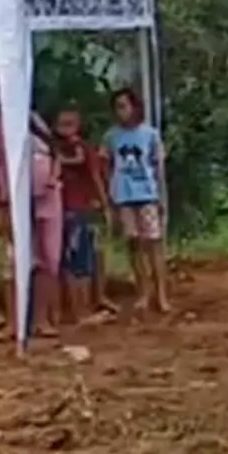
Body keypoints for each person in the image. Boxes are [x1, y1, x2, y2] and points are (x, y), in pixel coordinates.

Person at [0, 104, 65, 338]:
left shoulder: (34, 119)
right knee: (13, 263)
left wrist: (53, 177)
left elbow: (54, 152)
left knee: (47, 259)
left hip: (46, 200)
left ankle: (41, 319)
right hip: (12, 203)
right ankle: (14, 322)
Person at [101, 89, 169, 314]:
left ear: (134, 107)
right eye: (117, 107)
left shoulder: (150, 134)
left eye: (124, 106)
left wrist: (161, 196)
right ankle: (143, 292)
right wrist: (110, 194)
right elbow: (105, 165)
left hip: (147, 194)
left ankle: (161, 294)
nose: (121, 112)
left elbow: (158, 167)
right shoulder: (111, 137)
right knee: (134, 244)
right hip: (123, 197)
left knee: (153, 245)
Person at [54, 107, 117, 322]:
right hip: (70, 211)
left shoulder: (70, 150)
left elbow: (94, 176)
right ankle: (80, 311)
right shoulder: (63, 150)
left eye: (69, 124)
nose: (65, 129)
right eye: (62, 124)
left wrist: (104, 205)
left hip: (77, 210)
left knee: (81, 259)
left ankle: (85, 304)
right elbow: (93, 175)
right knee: (77, 261)